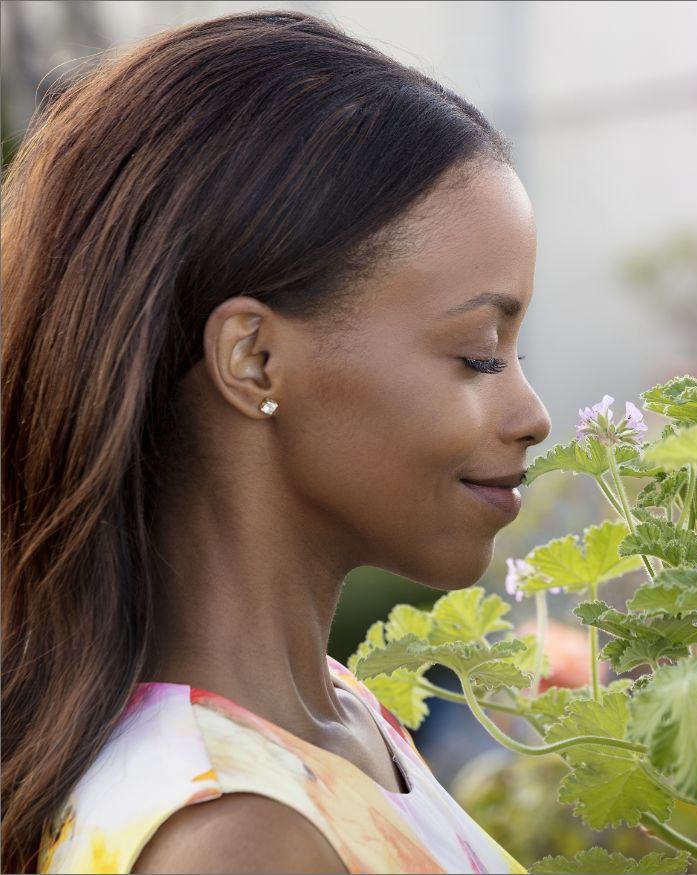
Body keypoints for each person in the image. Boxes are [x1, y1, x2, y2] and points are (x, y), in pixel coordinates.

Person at [0, 10, 552, 873]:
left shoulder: (340, 717)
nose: (532, 412)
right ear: (254, 359)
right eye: (479, 352)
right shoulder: (239, 836)